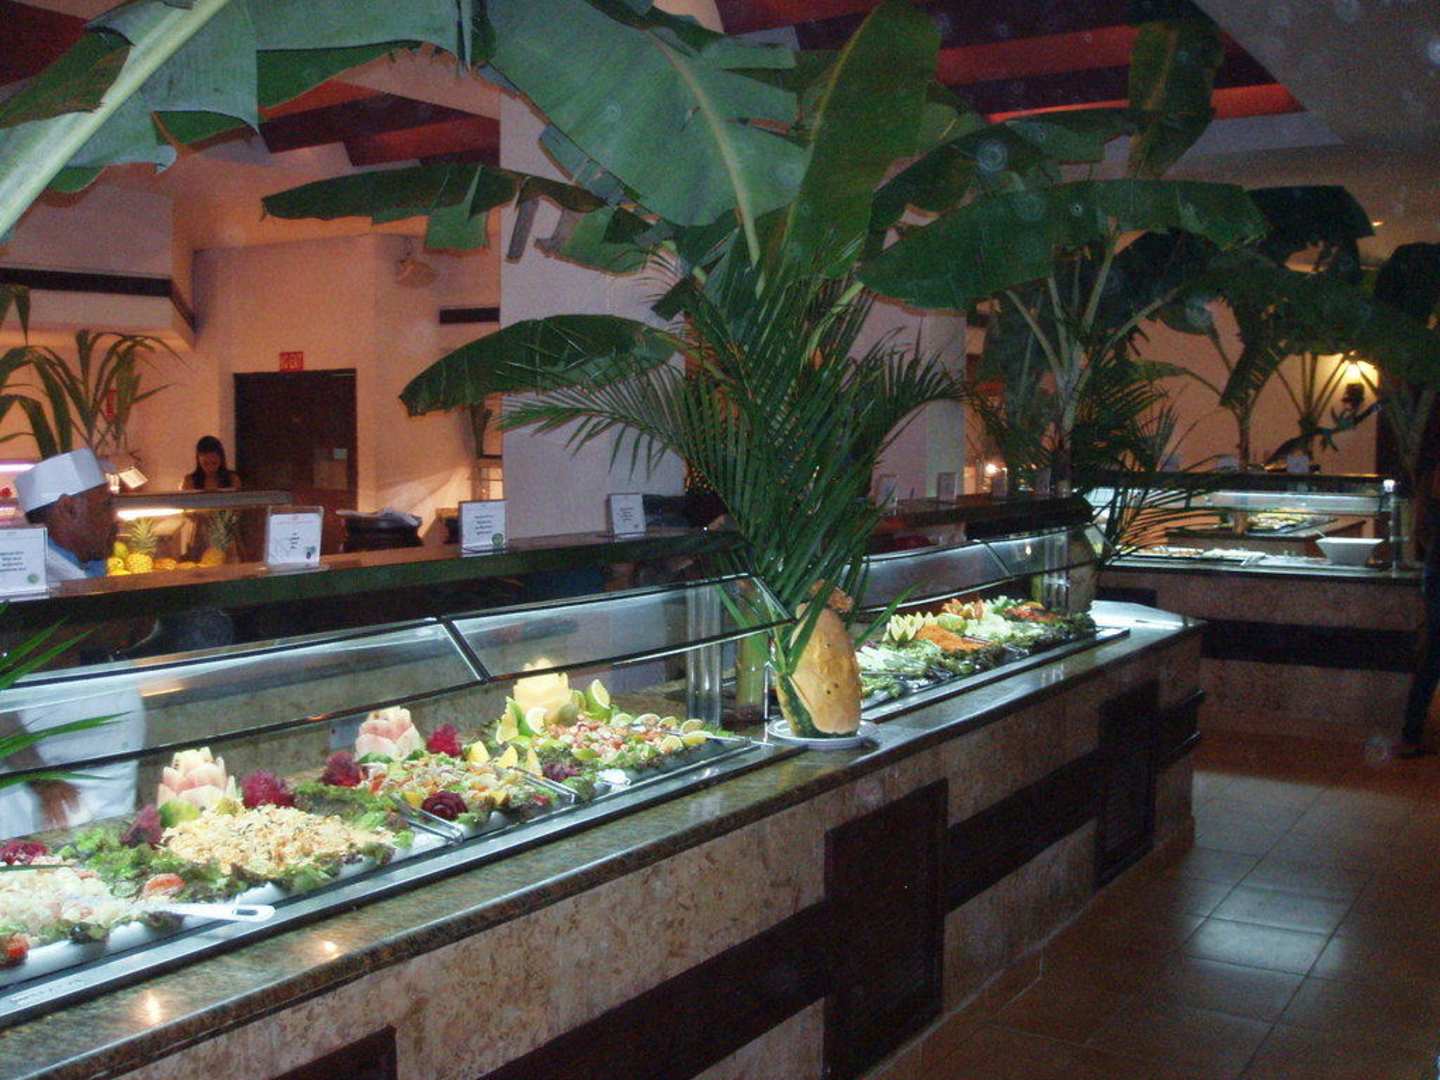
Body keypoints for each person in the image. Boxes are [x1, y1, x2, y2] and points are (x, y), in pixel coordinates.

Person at [0, 449, 142, 838]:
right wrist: (42, 779)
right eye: (106, 504)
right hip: (44, 805)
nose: (115, 517)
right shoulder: (25, 584)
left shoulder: (82, 570)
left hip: (98, 789)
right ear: (68, 508)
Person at [1401, 463, 1440, 758]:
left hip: (1435, 570)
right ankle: (1411, 733)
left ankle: (1411, 734)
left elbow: (1422, 531)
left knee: (1432, 656)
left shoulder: (1429, 480)